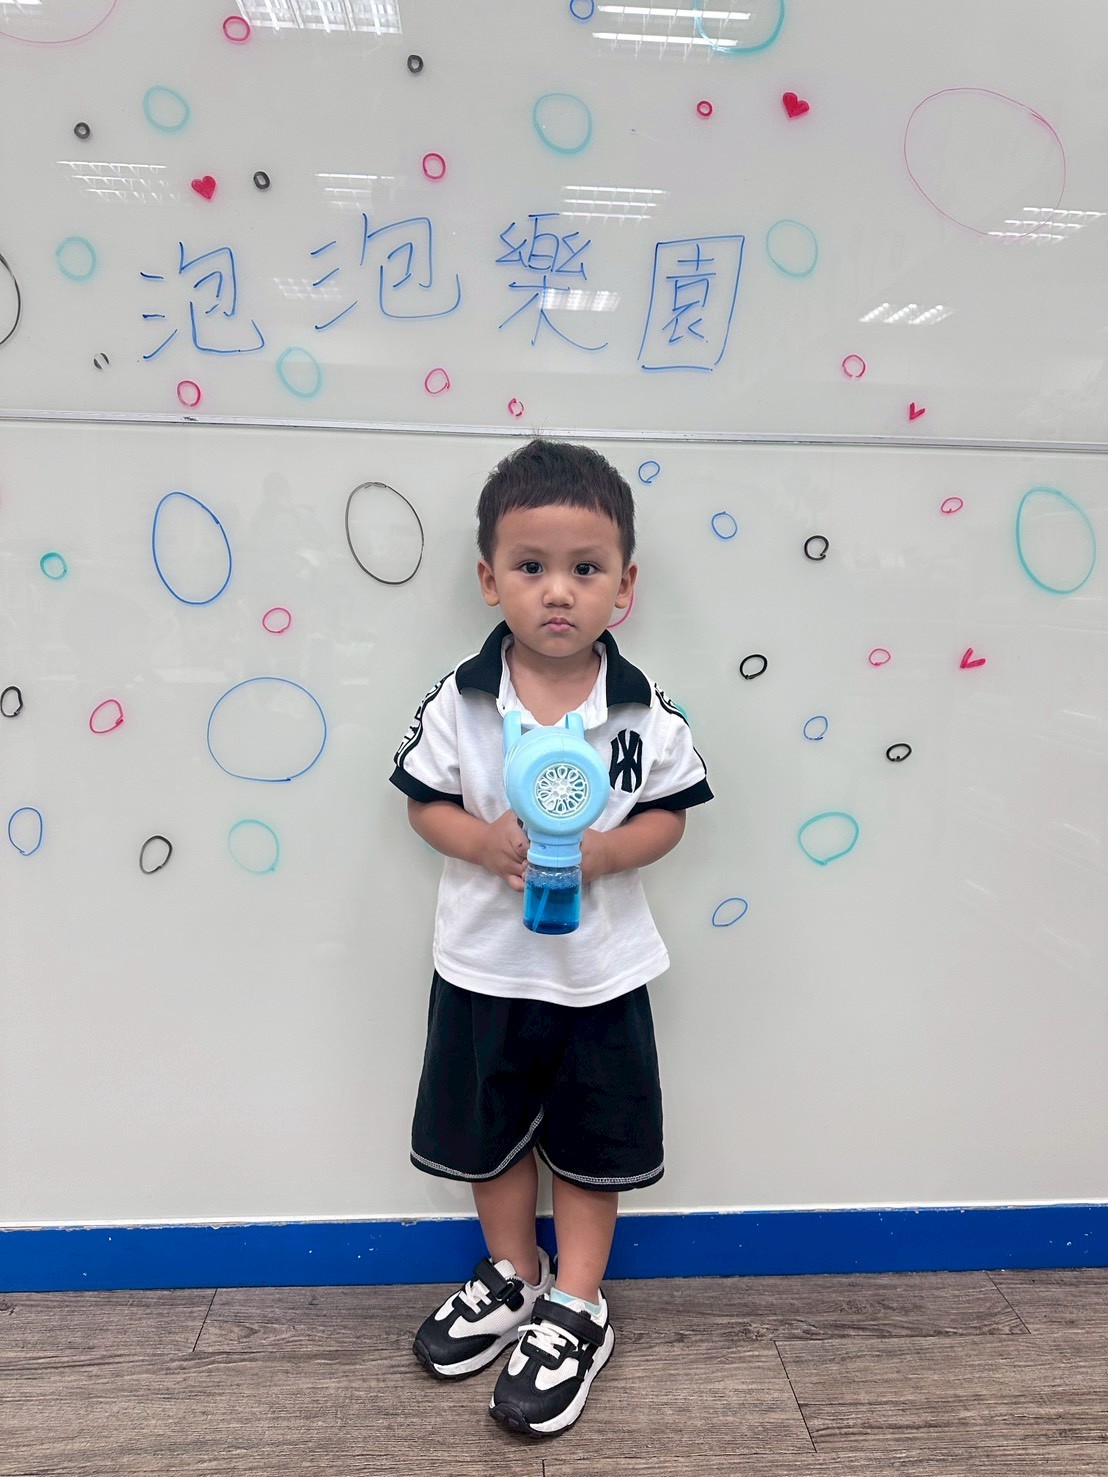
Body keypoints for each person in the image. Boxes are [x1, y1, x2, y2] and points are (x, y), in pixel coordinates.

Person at [389, 438, 713, 1437]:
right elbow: (422, 804)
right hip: (483, 966)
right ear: (490, 580)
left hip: (599, 975)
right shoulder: (460, 700)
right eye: (531, 566)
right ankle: (510, 1271)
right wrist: (481, 841)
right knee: (488, 1139)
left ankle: (577, 1302)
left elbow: (671, 815)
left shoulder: (645, 714)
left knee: (590, 1146)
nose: (559, 591)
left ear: (625, 586)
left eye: (586, 568)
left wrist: (609, 853)